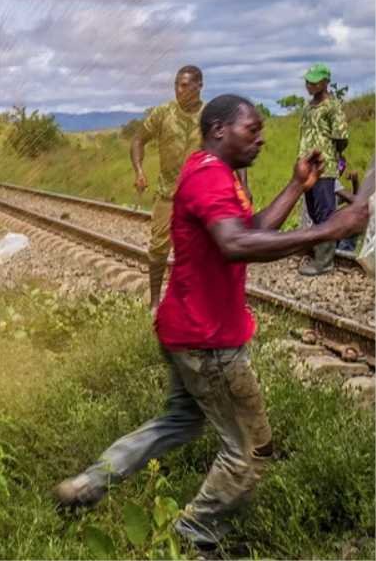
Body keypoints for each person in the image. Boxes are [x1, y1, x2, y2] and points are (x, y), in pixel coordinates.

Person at [55, 95, 368, 553]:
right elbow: (235, 245)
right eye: (252, 130)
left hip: (185, 328)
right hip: (208, 341)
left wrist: (297, 186)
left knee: (178, 421)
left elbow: (252, 229)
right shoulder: (207, 177)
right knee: (250, 451)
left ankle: (88, 483)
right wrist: (329, 230)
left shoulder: (216, 174)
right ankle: (193, 538)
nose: (260, 138)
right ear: (220, 130)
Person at [130, 65, 204, 310]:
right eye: (176, 84)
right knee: (158, 248)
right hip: (167, 194)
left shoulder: (209, 115)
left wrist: (241, 184)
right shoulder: (163, 113)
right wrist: (139, 170)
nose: (178, 90)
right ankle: (154, 302)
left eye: (184, 85)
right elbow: (139, 139)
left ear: (198, 86)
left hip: (198, 195)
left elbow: (231, 147)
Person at [296, 63, 349, 275]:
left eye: (315, 81)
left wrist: (333, 157)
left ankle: (325, 261)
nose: (309, 84)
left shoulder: (332, 106)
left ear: (326, 82)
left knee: (325, 212)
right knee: (313, 211)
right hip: (307, 168)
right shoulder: (308, 107)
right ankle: (319, 252)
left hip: (324, 168)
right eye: (308, 80)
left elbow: (341, 137)